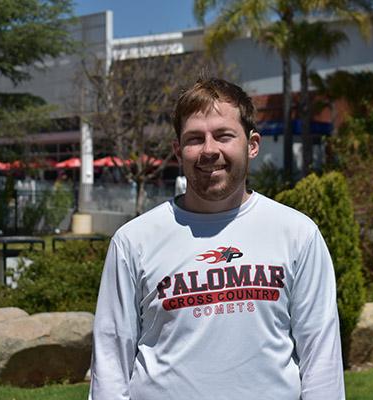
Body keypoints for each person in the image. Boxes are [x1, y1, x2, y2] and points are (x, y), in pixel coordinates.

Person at [89, 78, 345, 400]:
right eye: (195, 139)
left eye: (223, 136)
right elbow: (111, 359)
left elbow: (321, 358)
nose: (209, 150)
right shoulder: (133, 241)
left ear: (252, 144)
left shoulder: (297, 234)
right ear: (177, 150)